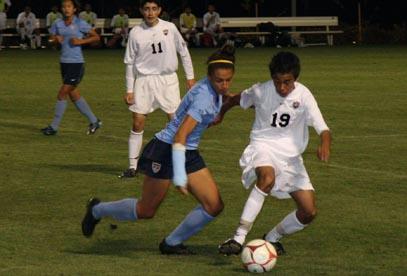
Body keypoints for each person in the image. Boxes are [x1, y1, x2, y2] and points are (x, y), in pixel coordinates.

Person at [81, 45, 237, 255]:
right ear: (209, 76)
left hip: (186, 152)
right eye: (219, 80)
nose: (224, 85)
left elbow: (225, 100)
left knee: (214, 205)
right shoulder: (203, 98)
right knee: (146, 210)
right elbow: (180, 137)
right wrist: (180, 177)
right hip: (165, 151)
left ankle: (171, 243)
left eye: (228, 80)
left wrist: (235, 104)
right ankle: (97, 210)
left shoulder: (215, 92)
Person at [217, 51, 331, 256]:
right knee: (267, 178)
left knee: (308, 212)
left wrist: (324, 143)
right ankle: (238, 238)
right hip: (263, 146)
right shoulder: (261, 90)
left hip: (291, 158)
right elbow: (235, 100)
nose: (282, 87)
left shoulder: (304, 95)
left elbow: (323, 127)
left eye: (287, 82)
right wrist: (221, 114)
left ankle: (271, 238)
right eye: (277, 81)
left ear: (295, 78)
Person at [119, 0, 195, 178]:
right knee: (137, 122)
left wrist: (190, 77)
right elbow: (129, 63)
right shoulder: (136, 33)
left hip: (167, 80)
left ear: (160, 10)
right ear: (141, 10)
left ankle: (178, 164)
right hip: (144, 81)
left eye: (154, 9)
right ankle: (132, 166)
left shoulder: (170, 28)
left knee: (175, 122)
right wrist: (129, 89)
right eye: (146, 9)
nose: (150, 13)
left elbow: (183, 52)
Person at [41, 0, 101, 136]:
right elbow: (50, 41)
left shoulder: (80, 23)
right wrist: (55, 40)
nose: (66, 9)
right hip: (64, 63)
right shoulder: (57, 23)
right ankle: (94, 121)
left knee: (62, 93)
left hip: (76, 63)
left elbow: (96, 37)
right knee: (74, 95)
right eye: (64, 6)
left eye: (69, 6)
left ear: (74, 9)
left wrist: (81, 41)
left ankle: (53, 127)